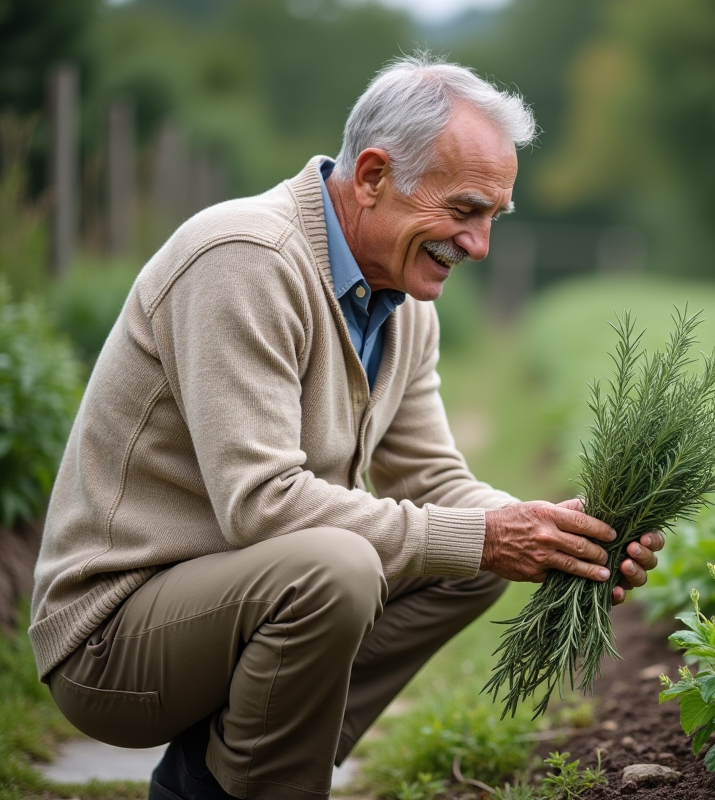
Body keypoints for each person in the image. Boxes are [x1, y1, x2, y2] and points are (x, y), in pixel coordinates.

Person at [28, 53, 664, 800]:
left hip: (233, 601)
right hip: (112, 635)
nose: (479, 244)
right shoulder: (246, 259)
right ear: (371, 177)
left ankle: (221, 775)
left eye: (493, 218)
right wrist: (488, 536)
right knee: (343, 568)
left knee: (467, 561)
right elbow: (263, 504)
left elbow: (432, 480)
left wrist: (554, 535)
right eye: (463, 210)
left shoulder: (403, 306)